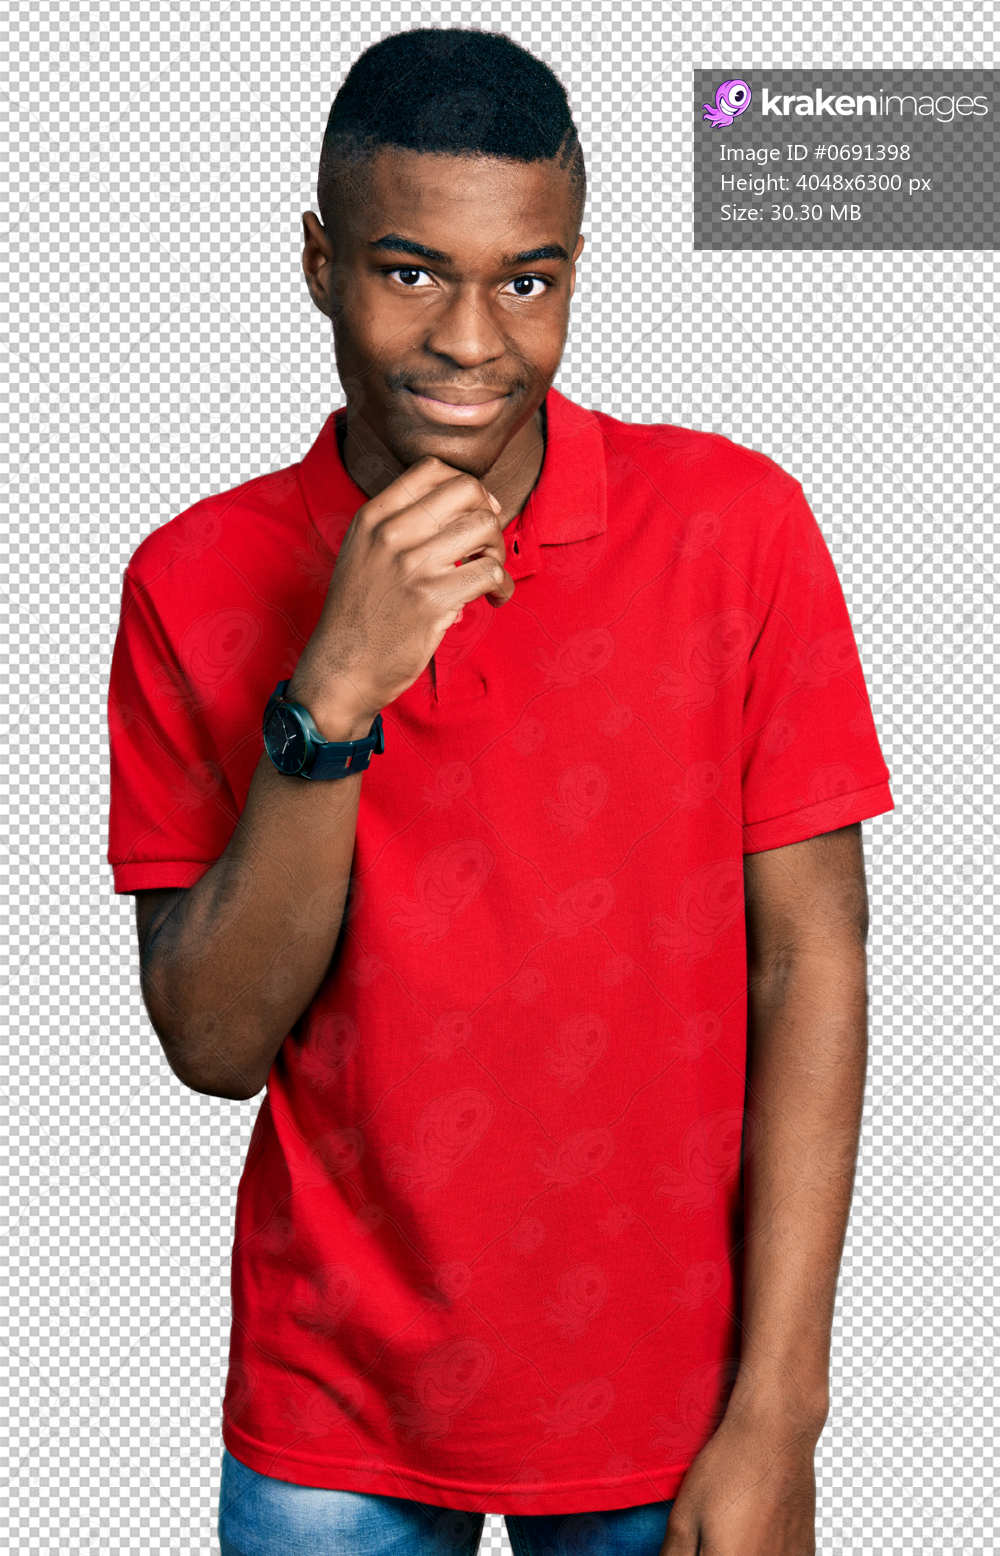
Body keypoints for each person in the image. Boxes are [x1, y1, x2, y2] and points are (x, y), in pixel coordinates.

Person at [107, 27, 894, 1556]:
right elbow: (211, 1042)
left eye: (526, 280)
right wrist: (332, 691)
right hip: (333, 1417)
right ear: (320, 259)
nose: (473, 337)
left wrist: (781, 1414)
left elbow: (815, 961)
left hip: (672, 1413)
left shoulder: (736, 527)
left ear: (574, 269)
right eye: (411, 271)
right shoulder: (192, 577)